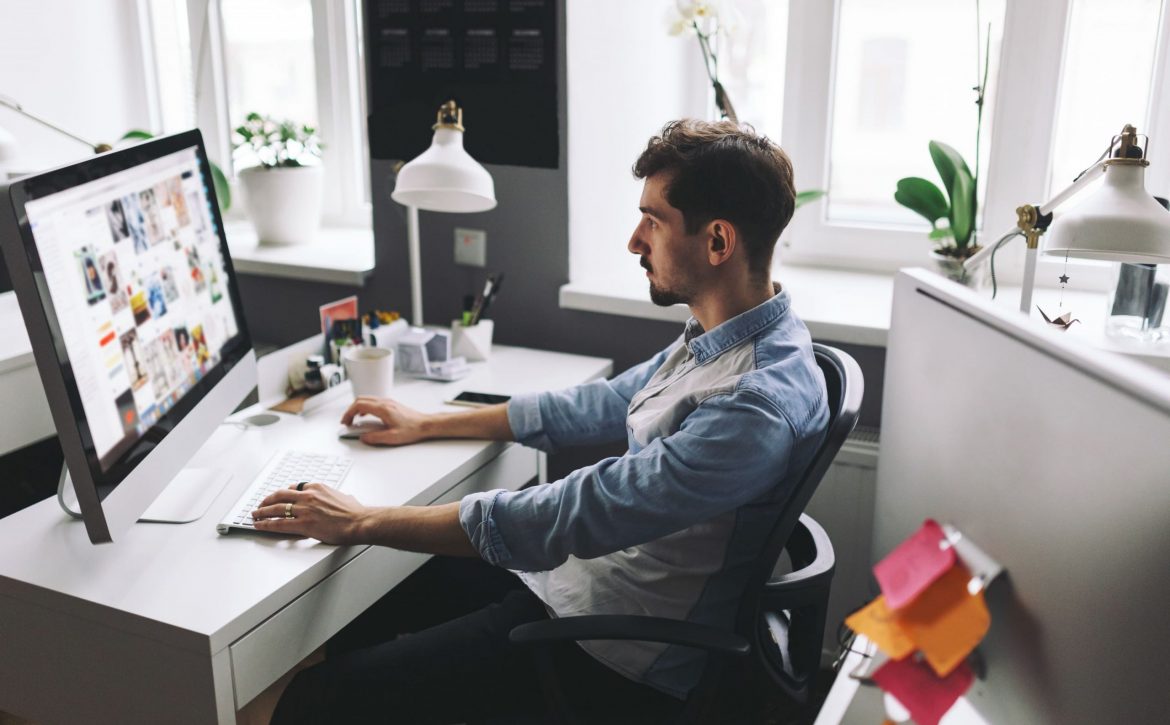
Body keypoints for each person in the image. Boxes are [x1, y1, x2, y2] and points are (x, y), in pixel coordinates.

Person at [256, 119, 829, 724]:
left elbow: (575, 511)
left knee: (316, 701)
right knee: (373, 601)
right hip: (579, 585)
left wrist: (364, 518)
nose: (635, 242)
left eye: (653, 221)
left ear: (718, 242)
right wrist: (429, 422)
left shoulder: (751, 402)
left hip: (613, 652)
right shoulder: (737, 332)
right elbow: (603, 404)